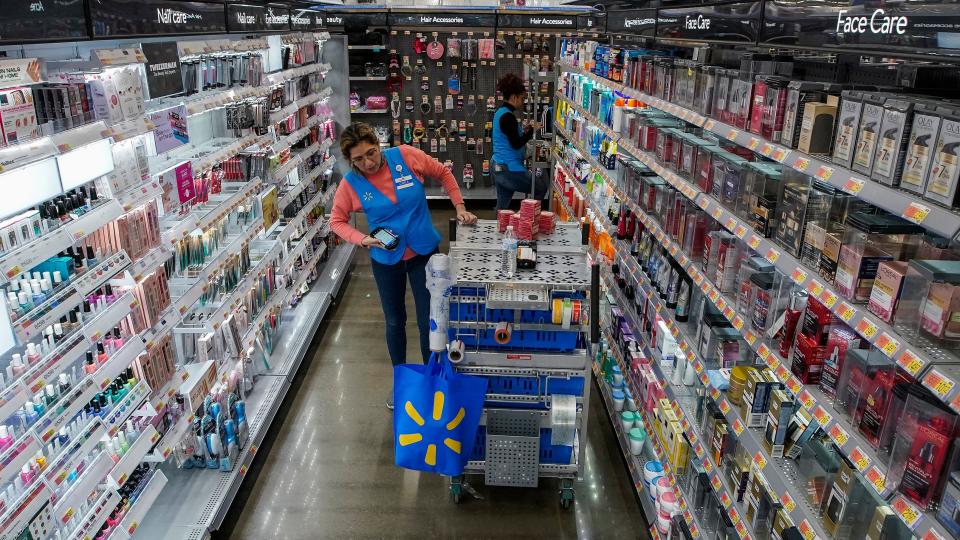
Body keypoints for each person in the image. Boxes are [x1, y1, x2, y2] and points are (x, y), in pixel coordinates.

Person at [330, 122, 478, 409]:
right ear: (350, 160)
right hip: (386, 262)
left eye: (371, 153)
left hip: (425, 255)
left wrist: (459, 206)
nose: (368, 163)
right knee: (395, 322)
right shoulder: (350, 184)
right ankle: (401, 382)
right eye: (358, 159)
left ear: (378, 143)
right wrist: (362, 240)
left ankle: (432, 380)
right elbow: (336, 220)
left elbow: (444, 172)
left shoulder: (406, 155)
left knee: (430, 322)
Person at [492, 73, 547, 210]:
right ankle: (528, 222)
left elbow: (509, 137)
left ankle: (500, 226)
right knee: (540, 188)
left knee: (502, 207)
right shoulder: (508, 117)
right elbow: (516, 143)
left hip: (499, 165)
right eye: (521, 98)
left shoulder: (501, 112)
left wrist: (524, 131)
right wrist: (531, 131)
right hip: (509, 168)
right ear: (513, 96)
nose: (523, 102)